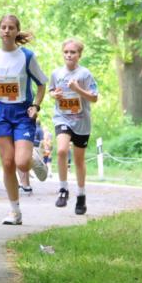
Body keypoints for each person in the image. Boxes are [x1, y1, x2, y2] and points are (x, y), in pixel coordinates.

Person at [0, 14, 48, 225]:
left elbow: (42, 84)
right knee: (8, 163)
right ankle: (14, 211)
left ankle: (32, 157)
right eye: (3, 27)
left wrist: (35, 106)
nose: (7, 31)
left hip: (22, 114)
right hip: (0, 114)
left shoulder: (26, 57)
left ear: (17, 31)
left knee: (21, 163)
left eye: (11, 27)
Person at [49, 39, 99, 215]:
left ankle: (81, 195)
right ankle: (63, 189)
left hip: (81, 121)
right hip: (62, 118)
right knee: (62, 150)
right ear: (62, 54)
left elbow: (94, 98)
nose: (69, 55)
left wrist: (78, 89)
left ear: (79, 55)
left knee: (78, 160)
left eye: (73, 52)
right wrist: (54, 95)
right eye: (66, 52)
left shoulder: (85, 74)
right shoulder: (56, 73)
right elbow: (51, 91)